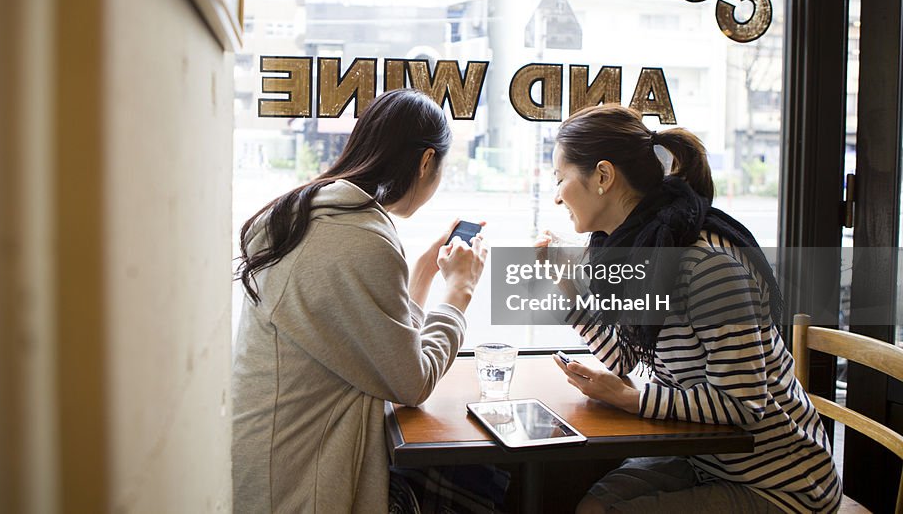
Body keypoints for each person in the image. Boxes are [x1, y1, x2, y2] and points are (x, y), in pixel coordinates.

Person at [539, 105, 841, 513]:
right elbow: (627, 357)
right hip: (708, 460)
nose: (556, 195)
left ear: (603, 177)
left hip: (780, 485)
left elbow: (743, 408)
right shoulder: (642, 249)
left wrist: (633, 400)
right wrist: (568, 291)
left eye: (560, 178)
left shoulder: (705, 266)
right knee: (590, 501)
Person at [232, 89, 487, 513]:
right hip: (298, 479)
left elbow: (376, 346)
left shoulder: (308, 210)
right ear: (427, 161)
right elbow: (411, 382)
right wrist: (460, 291)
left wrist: (422, 271)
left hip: (264, 457)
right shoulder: (360, 238)